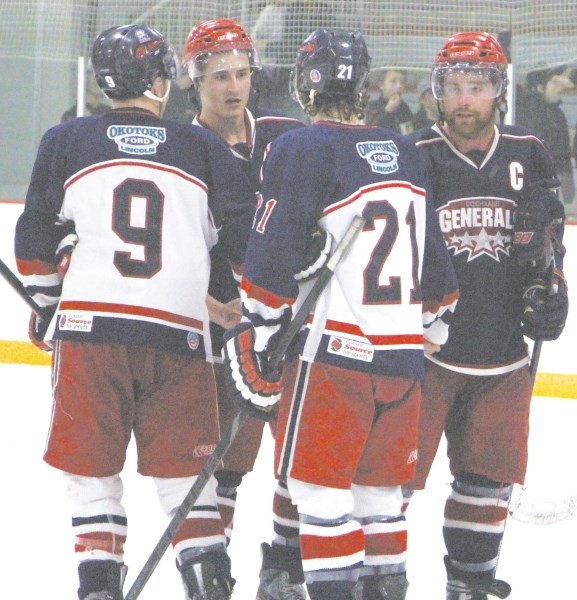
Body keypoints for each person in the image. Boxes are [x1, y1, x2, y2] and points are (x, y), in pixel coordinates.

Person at [15, 23, 256, 600]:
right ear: (158, 79)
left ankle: (99, 587)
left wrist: (48, 301)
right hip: (179, 337)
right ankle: (208, 586)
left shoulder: (65, 140)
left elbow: (32, 248)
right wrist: (242, 303)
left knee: (92, 478)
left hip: (91, 336)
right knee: (187, 485)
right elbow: (246, 244)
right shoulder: (202, 147)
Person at [222, 28, 459, 600]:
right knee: (380, 502)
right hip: (403, 361)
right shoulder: (403, 148)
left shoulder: (299, 147)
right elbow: (439, 282)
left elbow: (268, 263)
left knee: (320, 497)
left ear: (308, 81)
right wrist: (424, 328)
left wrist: (262, 321)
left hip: (335, 358)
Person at [406, 32, 569, 599]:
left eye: (477, 86)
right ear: (437, 92)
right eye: (454, 87)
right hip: (421, 356)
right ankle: (375, 578)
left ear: (498, 90)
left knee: (486, 481)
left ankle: (470, 583)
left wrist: (552, 291)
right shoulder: (413, 154)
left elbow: (548, 240)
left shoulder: (528, 151)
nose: (465, 99)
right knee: (388, 484)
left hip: (502, 354)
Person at [181, 18, 309, 600]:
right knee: (226, 461)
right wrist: (209, 302)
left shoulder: (285, 133)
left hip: (290, 323)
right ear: (195, 82)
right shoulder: (181, 148)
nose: (233, 87)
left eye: (241, 74)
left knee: (300, 452)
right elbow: (177, 245)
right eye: (218, 76)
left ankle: (283, 564)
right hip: (221, 329)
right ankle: (215, 570)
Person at [516, 66, 576, 205]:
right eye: (554, 83)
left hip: (549, 182)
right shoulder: (528, 110)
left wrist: (567, 177)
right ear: (539, 87)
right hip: (530, 182)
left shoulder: (557, 115)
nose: (560, 88)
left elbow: (564, 150)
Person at [365, 69, 415, 134]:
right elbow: (370, 131)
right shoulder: (371, 106)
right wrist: (388, 111)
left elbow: (409, 133)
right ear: (381, 85)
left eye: (402, 82)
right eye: (393, 81)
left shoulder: (404, 108)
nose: (399, 86)